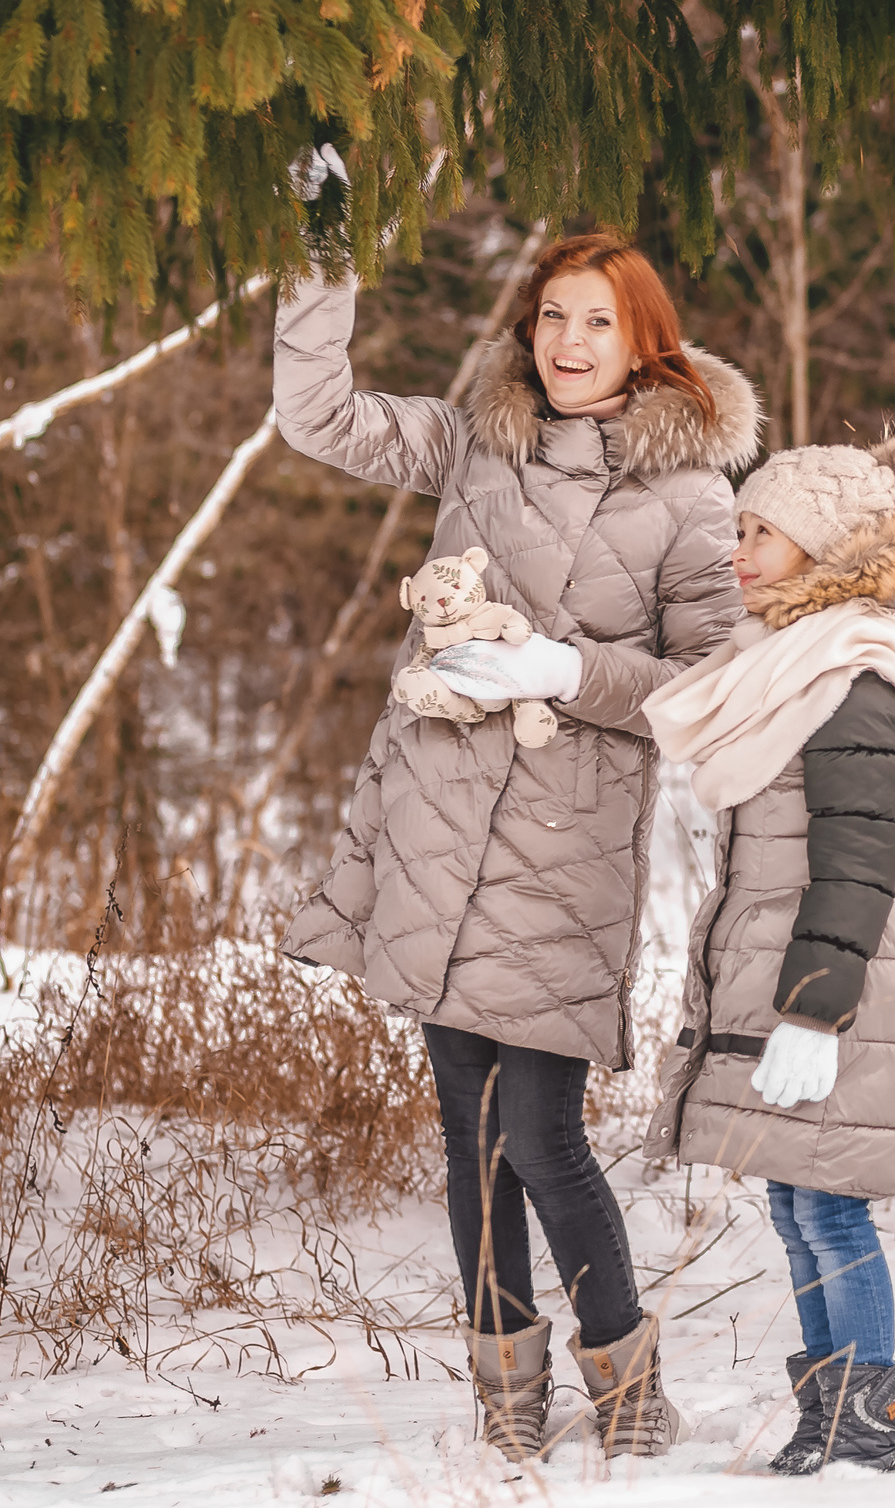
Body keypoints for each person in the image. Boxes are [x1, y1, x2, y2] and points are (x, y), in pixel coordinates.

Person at [273, 158, 759, 1462]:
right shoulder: (476, 436)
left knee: (539, 1128)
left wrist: (567, 669)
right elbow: (317, 415)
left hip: (563, 847)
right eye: (552, 315)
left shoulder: (689, 496)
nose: (568, 341)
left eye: (598, 319)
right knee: (465, 1131)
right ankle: (506, 1397)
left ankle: (628, 1382)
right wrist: (323, 251)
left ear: (646, 341)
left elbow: (717, 685)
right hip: (439, 829)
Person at [640, 427, 895, 1475]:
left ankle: (871, 1421)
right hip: (798, 979)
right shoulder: (789, 658)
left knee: (829, 1209)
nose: (738, 551)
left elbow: (857, 860)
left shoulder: (853, 674)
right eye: (738, 528)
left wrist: (817, 1010)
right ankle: (829, 1413)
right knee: (795, 1204)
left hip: (843, 988)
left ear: (821, 547)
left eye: (762, 533)